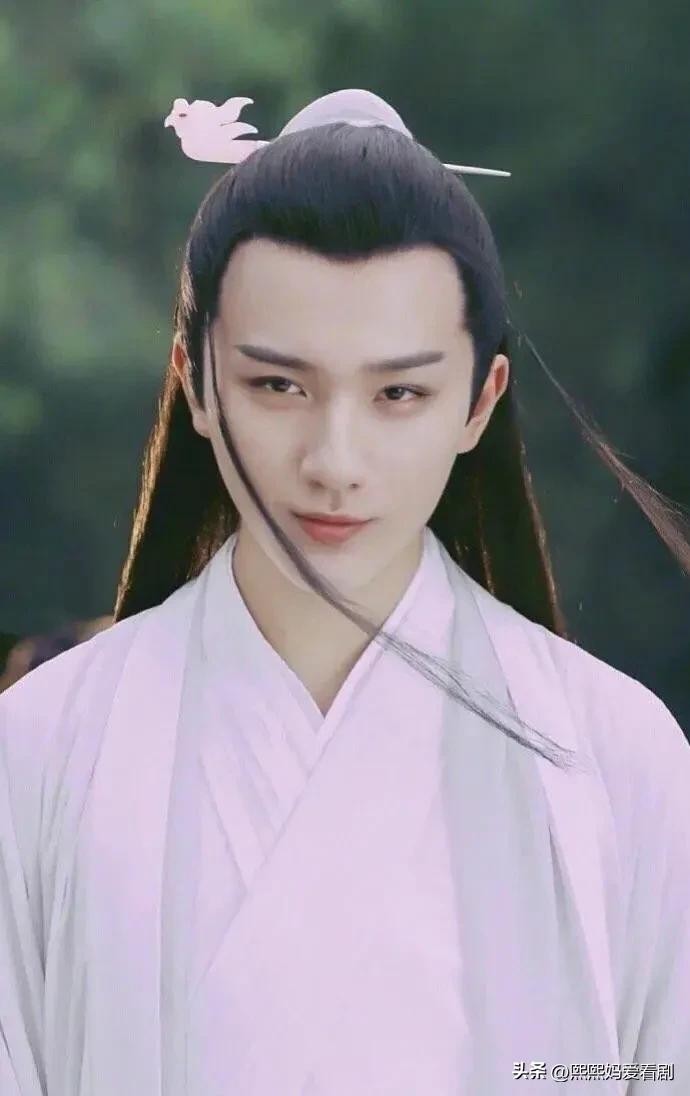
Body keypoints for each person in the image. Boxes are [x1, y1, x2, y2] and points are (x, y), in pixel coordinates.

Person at [1, 89, 688, 1095]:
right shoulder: (40, 752)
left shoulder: (621, 759)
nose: (335, 461)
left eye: (399, 392)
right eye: (278, 385)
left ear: (480, 400)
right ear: (197, 382)